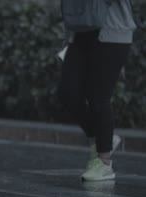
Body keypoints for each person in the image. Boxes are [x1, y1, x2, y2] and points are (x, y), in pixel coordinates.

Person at [58, 0, 136, 181]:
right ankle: (103, 136)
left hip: (112, 32)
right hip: (80, 33)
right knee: (67, 92)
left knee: (98, 97)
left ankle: (105, 163)